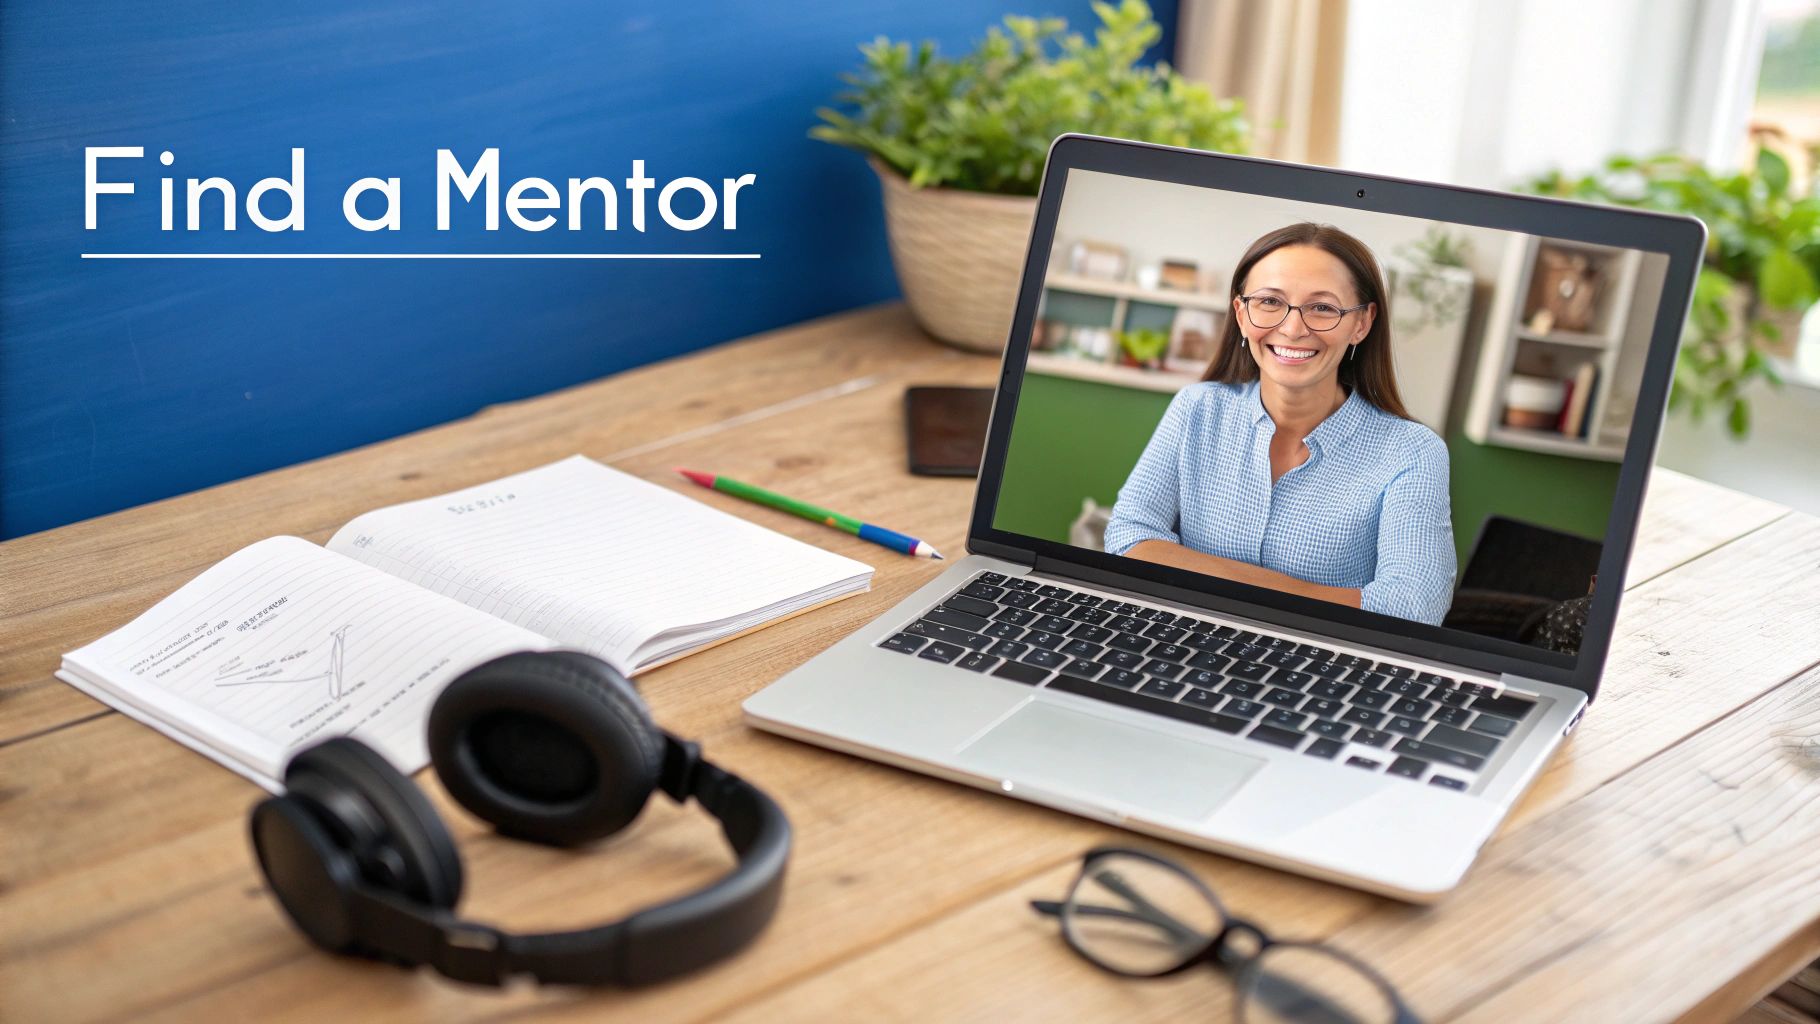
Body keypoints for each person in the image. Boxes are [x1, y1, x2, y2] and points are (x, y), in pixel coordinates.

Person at [1104, 222, 1456, 626]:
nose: (1292, 328)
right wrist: (1307, 595)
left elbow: (1413, 607)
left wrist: (1208, 575)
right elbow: (1129, 536)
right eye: (1270, 301)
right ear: (1241, 313)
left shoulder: (1412, 452)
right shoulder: (1196, 409)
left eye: (1322, 307)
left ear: (1361, 322)